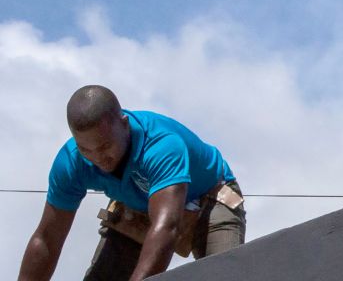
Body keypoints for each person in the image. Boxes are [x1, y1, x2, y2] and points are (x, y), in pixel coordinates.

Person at [18, 85, 246, 281]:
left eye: (105, 146)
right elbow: (46, 239)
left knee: (222, 273)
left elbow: (167, 228)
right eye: (86, 150)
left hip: (210, 199)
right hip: (140, 207)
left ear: (124, 124)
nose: (98, 158)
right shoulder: (70, 163)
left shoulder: (161, 146)